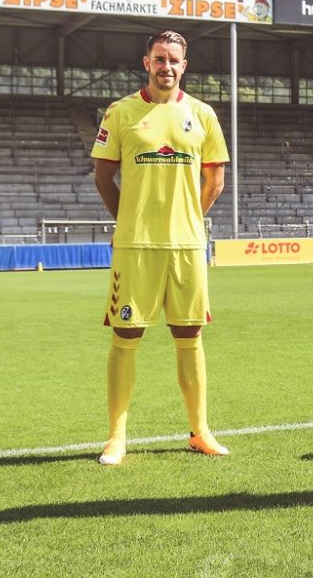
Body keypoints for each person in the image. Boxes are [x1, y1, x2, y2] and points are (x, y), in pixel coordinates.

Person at [91, 30, 231, 465]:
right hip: (136, 245)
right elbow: (102, 175)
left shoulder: (203, 114)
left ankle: (200, 431)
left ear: (183, 66)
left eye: (173, 59)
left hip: (187, 245)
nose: (165, 66)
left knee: (190, 335)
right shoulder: (120, 112)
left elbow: (215, 180)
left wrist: (190, 215)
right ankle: (116, 437)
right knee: (126, 334)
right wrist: (130, 217)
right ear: (145, 62)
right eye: (158, 58)